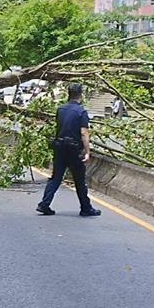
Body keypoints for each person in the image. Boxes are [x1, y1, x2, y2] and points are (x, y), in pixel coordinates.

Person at [36, 83, 101, 217]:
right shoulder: (81, 111)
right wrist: (88, 152)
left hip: (59, 147)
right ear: (81, 95)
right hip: (73, 149)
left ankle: (44, 203)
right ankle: (86, 208)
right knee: (79, 180)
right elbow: (84, 133)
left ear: (69, 94)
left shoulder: (61, 109)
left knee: (56, 177)